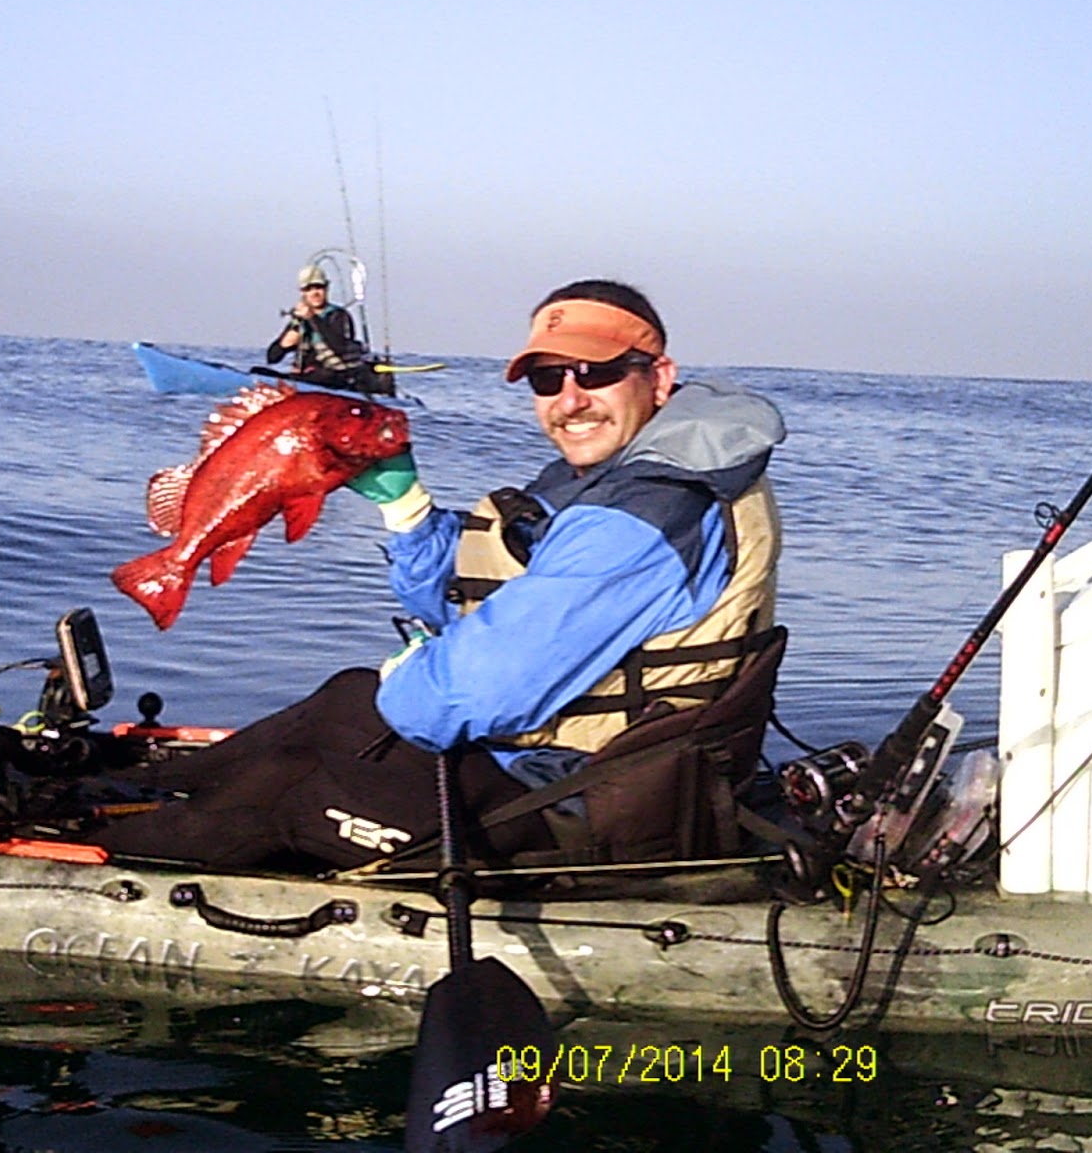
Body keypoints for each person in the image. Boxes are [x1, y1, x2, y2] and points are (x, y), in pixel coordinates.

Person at [93, 279, 786, 871]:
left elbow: (455, 701)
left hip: (581, 805)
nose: (570, 399)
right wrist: (408, 510)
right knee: (348, 698)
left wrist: (413, 677)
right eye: (548, 379)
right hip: (574, 775)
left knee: (291, 794)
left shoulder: (640, 517)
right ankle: (144, 789)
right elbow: (478, 592)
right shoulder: (616, 480)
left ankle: (98, 849)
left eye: (596, 373)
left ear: (658, 378)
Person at [265, 263, 385, 393]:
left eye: (319, 287)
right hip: (305, 378)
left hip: (335, 377)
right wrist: (283, 345)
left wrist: (312, 318)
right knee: (258, 372)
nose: (315, 293)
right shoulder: (299, 321)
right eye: (309, 289)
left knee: (322, 376)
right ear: (302, 293)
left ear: (327, 288)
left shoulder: (339, 316)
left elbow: (339, 347)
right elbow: (272, 358)